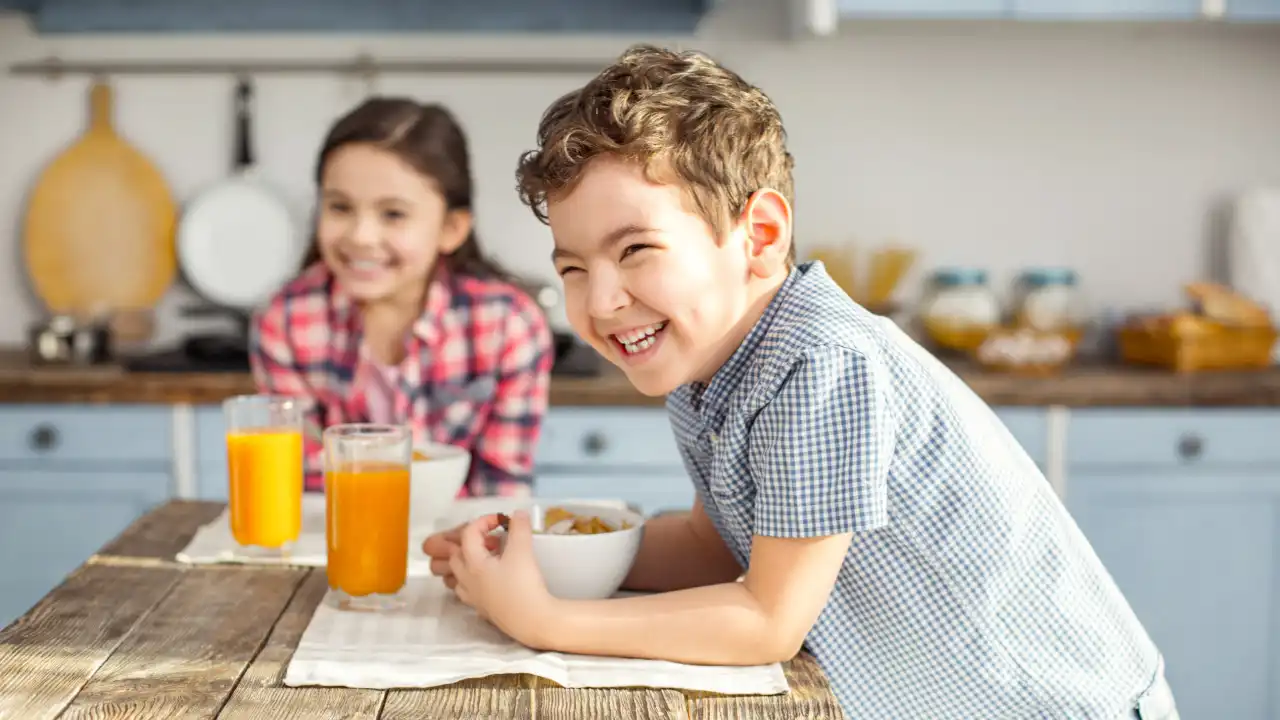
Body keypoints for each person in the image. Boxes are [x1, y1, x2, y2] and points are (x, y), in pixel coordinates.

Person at [250, 98, 553, 497]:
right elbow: (305, 485)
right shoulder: (285, 322)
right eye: (340, 206)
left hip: (457, 547)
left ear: (451, 227)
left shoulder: (510, 326)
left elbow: (501, 490)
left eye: (393, 214)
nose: (360, 236)